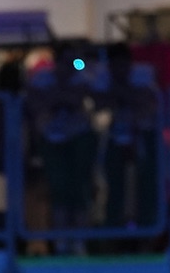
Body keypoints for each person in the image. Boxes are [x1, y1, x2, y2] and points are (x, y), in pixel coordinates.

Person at [27, 40, 97, 238]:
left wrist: (56, 96)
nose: (69, 66)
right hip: (52, 138)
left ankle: (80, 239)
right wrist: (59, 96)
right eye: (64, 61)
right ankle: (61, 240)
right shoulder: (41, 78)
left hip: (79, 136)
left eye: (72, 61)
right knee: (59, 189)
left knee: (80, 188)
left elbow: (78, 98)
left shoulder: (83, 76)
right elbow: (36, 103)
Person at [93, 40, 161, 235]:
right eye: (115, 66)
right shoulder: (102, 78)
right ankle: (113, 230)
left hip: (142, 135)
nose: (119, 70)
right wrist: (126, 95)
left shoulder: (143, 75)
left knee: (146, 183)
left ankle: (148, 229)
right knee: (114, 184)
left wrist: (121, 94)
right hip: (114, 135)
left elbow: (147, 101)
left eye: (123, 65)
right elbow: (99, 102)